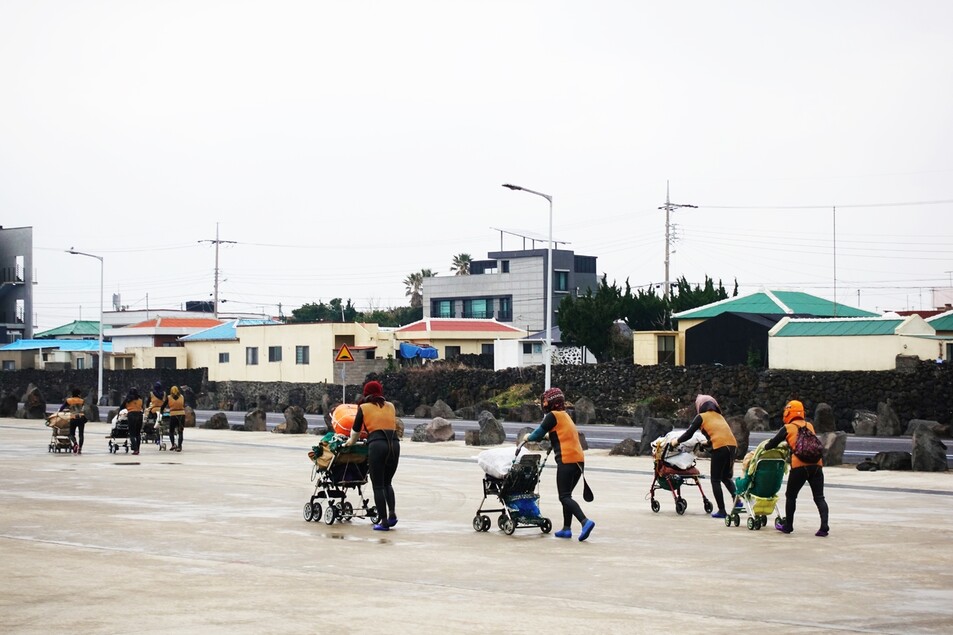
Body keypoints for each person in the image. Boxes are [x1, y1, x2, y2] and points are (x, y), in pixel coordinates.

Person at [525, 387, 595, 541]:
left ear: (549, 403)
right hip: (579, 461)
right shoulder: (565, 415)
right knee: (567, 496)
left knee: (564, 497)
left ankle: (585, 521)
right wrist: (550, 439)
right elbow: (562, 435)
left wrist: (528, 437)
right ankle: (566, 528)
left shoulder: (552, 416)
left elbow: (537, 435)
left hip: (566, 461)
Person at [765, 399, 830, 537]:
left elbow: (771, 444)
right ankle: (824, 527)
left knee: (791, 496)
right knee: (819, 497)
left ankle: (788, 526)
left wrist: (766, 447)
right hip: (817, 465)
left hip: (799, 466)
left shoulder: (787, 428)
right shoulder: (810, 426)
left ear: (788, 412)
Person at [671, 394, 738, 519]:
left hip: (720, 447)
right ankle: (738, 502)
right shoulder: (720, 417)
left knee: (715, 479)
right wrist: (706, 443)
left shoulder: (701, 417)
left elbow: (688, 434)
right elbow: (719, 434)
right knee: (726, 477)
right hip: (732, 446)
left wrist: (676, 442)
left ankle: (722, 510)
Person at [346, 380, 400, 531]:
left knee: (378, 485)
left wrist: (350, 443)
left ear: (366, 393)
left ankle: (383, 522)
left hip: (377, 445)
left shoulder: (363, 407)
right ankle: (392, 515)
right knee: (388, 482)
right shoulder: (391, 406)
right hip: (394, 444)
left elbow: (355, 431)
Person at [60, 388, 87, 454]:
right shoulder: (82, 401)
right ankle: (80, 448)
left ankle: (75, 443)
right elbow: (83, 409)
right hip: (81, 418)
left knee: (71, 434)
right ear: (78, 394)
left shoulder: (69, 400)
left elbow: (62, 408)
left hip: (73, 418)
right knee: (81, 434)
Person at [121, 387, 145, 455]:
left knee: (132, 434)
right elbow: (142, 408)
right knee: (138, 434)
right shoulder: (140, 400)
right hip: (140, 416)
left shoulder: (127, 400)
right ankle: (138, 448)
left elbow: (122, 407)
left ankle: (135, 449)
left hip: (131, 416)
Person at [165, 385, 185, 452]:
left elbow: (163, 406)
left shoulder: (169, 397)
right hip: (181, 415)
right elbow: (183, 405)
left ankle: (173, 444)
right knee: (180, 432)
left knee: (171, 431)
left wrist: (162, 411)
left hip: (173, 415)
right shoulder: (182, 397)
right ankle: (179, 446)